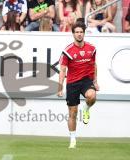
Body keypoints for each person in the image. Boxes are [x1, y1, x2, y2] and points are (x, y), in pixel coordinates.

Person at [57, 21, 99, 149]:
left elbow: (94, 65)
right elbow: (63, 70)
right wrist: (60, 87)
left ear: (84, 33)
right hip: (72, 83)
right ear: (73, 34)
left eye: (81, 32)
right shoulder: (67, 51)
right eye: (77, 32)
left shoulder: (92, 48)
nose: (79, 34)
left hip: (86, 80)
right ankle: (73, 140)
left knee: (92, 96)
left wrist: (95, 81)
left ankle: (86, 109)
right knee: (73, 113)